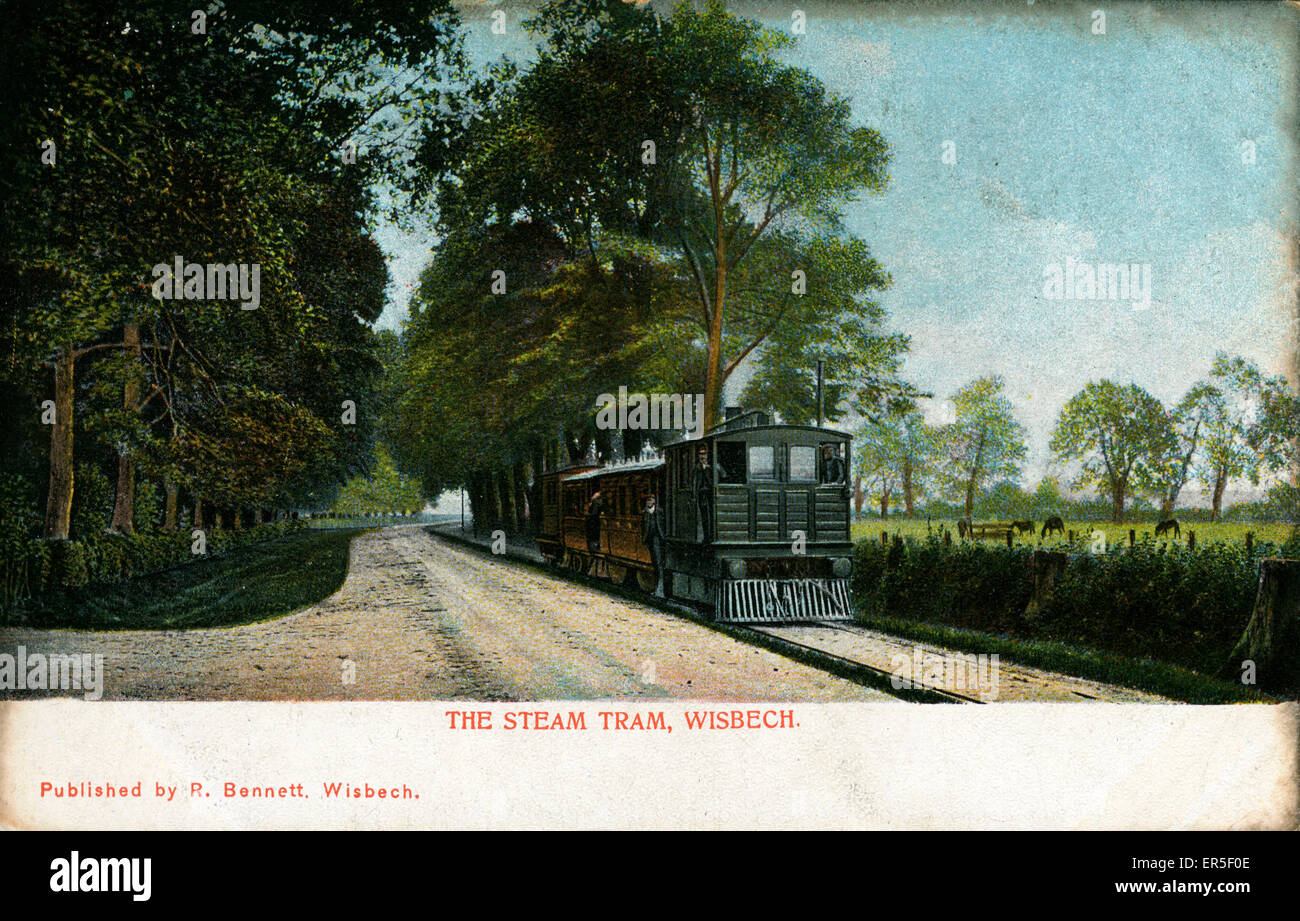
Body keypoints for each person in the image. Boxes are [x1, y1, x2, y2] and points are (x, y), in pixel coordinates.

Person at [641, 494, 666, 595]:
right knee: (654, 562)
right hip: (650, 539)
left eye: (651, 500)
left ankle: (660, 588)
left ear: (654, 501)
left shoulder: (659, 511)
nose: (649, 502)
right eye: (647, 500)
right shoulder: (645, 512)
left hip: (657, 538)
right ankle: (657, 587)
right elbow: (643, 526)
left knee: (659, 562)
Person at [692, 444, 714, 543]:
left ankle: (711, 536)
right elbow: (694, 482)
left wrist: (708, 469)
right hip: (701, 495)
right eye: (700, 454)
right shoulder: (696, 468)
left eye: (704, 454)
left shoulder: (712, 467)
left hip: (711, 494)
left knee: (711, 516)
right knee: (703, 517)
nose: (702, 456)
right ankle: (705, 537)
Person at [584, 490, 606, 575]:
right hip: (595, 522)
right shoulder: (598, 502)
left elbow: (593, 513)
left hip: (593, 522)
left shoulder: (595, 502)